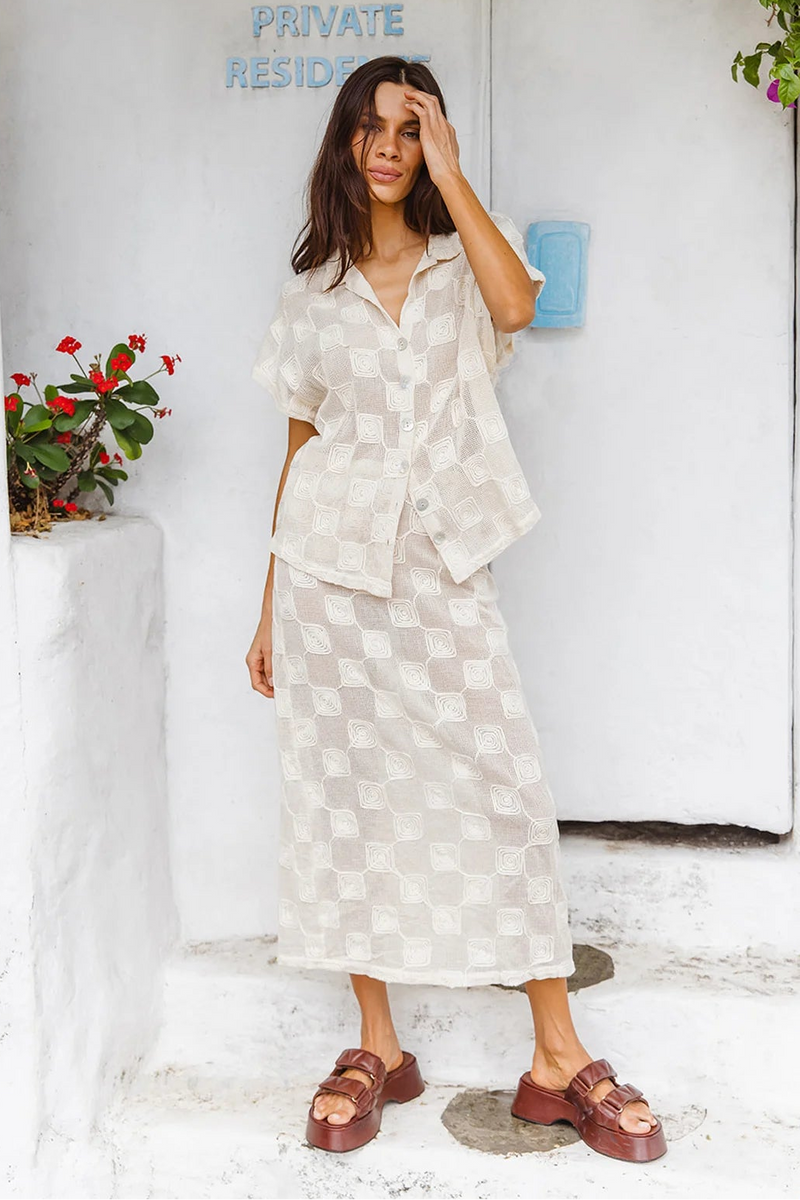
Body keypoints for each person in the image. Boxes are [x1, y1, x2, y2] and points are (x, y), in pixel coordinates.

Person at [246, 55, 666, 1164]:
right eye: (371, 128)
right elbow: (297, 449)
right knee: (345, 795)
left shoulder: (464, 259)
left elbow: (517, 303)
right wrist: (268, 608)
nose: (387, 148)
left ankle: (556, 1056)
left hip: (441, 561)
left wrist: (452, 171)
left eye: (409, 128)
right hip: (327, 574)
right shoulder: (312, 296)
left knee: (503, 785)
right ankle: (377, 1044)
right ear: (343, 144)